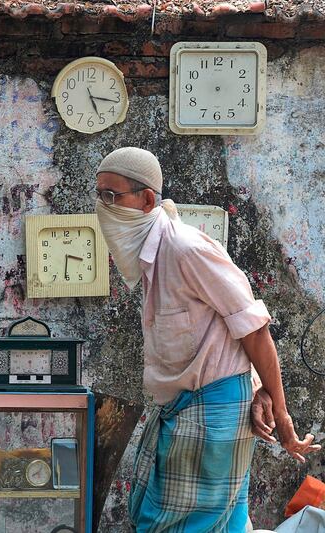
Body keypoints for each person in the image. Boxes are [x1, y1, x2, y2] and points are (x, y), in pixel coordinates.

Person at [92, 147, 320, 532]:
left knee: (175, 523)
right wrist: (257, 388)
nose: (104, 206)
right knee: (225, 520)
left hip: (211, 407)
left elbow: (252, 327)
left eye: (112, 196)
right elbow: (217, 334)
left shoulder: (186, 249)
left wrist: (280, 411)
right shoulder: (154, 256)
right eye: (99, 195)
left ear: (148, 199)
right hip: (186, 405)